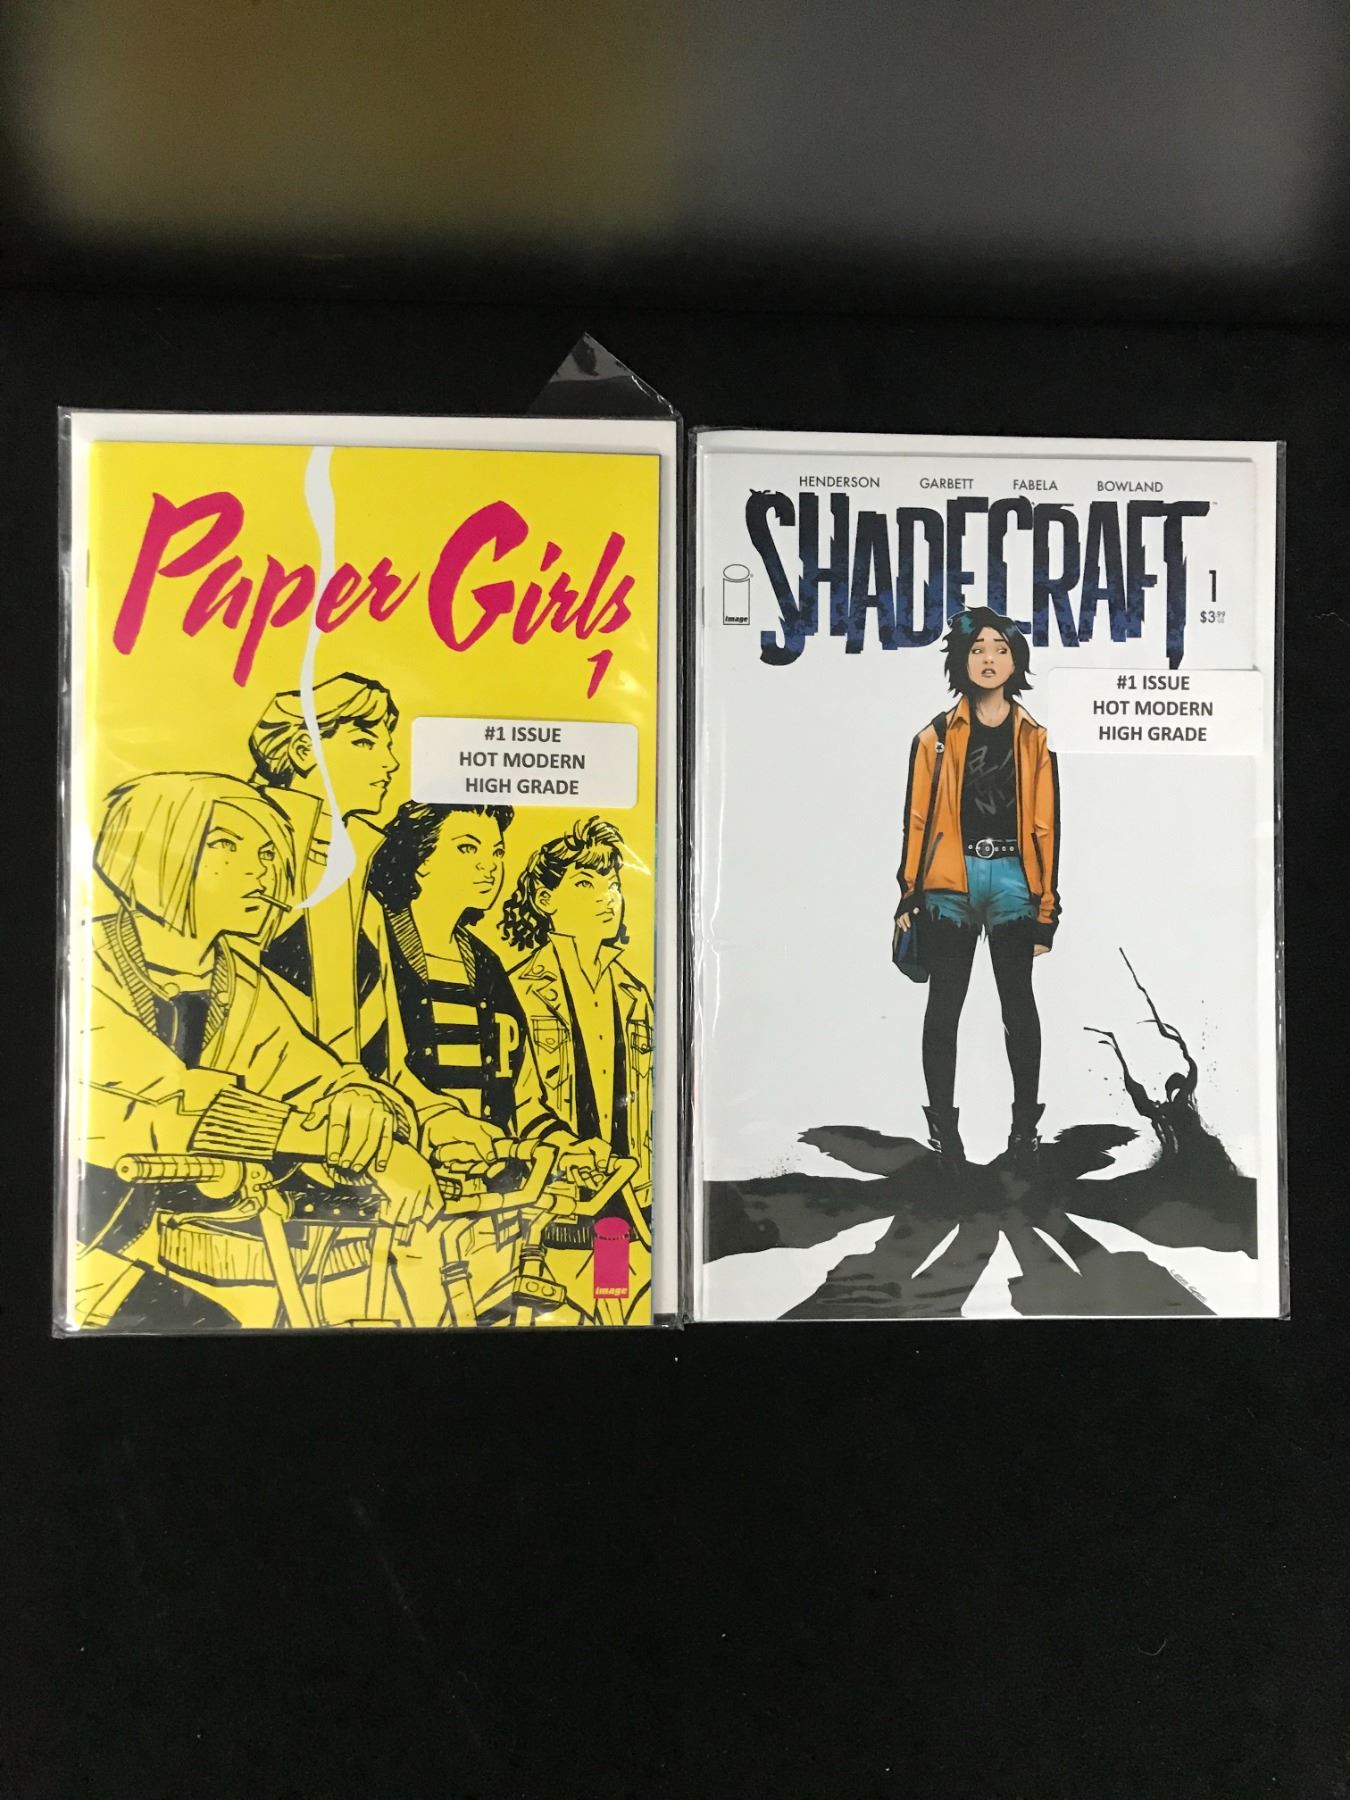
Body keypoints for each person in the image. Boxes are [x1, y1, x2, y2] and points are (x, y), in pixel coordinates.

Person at [75, 771, 437, 1329]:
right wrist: (346, 1145)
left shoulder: (240, 984)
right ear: (151, 852)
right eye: (225, 844)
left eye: (267, 854)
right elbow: (170, 1106)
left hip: (192, 1239)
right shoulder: (82, 964)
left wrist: (364, 1109)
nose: (260, 871)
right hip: (86, 1251)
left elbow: (315, 1075)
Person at [894, 606, 1061, 1170]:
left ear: (1016, 660)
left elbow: (1046, 826)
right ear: (961, 660)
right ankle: (945, 1134)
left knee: (1019, 1005)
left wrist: (1047, 908)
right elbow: (917, 820)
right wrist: (909, 894)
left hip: (1014, 878)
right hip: (948, 881)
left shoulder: (1035, 738)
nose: (989, 659)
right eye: (978, 649)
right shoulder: (935, 737)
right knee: (944, 1007)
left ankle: (1024, 1131)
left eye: (1000, 648)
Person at [361, 803, 591, 1165]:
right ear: (422, 859)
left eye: (497, 852)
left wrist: (565, 1146)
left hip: (488, 1183)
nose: (490, 866)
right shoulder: (372, 939)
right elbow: (365, 1074)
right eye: (468, 848)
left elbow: (523, 1100)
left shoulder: (488, 967)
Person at [499, 817, 654, 1213]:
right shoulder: (518, 990)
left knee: (616, 1258)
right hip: (549, 1195)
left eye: (613, 885)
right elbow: (514, 1101)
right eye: (585, 884)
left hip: (630, 1196)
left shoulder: (635, 995)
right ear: (544, 899)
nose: (607, 898)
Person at [250, 673, 400, 1061]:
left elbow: (389, 1058)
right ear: (305, 750)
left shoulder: (365, 900)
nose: (391, 763)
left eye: (388, 745)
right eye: (364, 742)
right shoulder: (250, 873)